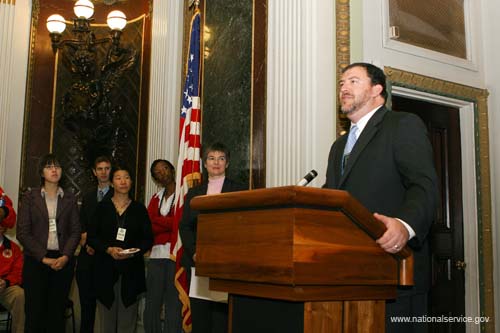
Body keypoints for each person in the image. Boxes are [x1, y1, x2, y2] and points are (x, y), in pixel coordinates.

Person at [323, 62, 438, 332]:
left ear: (377, 90)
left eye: (353, 81)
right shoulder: (338, 146)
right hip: (349, 274)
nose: (343, 88)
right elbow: (334, 198)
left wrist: (405, 225)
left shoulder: (402, 124)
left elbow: (424, 185)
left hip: (395, 274)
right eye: (341, 83)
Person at [180, 142, 247, 333]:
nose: (216, 162)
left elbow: (243, 224)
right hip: (198, 263)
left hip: (226, 264)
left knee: (221, 319)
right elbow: (185, 226)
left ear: (227, 163)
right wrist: (194, 252)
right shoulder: (194, 193)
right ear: (204, 163)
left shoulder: (239, 190)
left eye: (221, 158)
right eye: (211, 158)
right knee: (201, 318)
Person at [17, 153, 81, 333]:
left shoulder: (70, 198)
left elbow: (75, 231)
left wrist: (66, 256)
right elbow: (23, 233)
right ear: (41, 173)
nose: (54, 170)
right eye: (49, 167)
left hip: (62, 262)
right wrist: (44, 258)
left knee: (56, 315)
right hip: (36, 261)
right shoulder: (30, 197)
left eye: (57, 166)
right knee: (34, 313)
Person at [87, 165, 153, 333]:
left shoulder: (139, 209)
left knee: (127, 322)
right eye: (118, 178)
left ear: (131, 182)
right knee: (106, 324)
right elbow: (92, 237)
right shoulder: (102, 208)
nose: (123, 181)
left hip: (131, 271)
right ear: (112, 183)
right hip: (105, 270)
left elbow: (148, 239)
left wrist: (133, 251)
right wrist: (109, 249)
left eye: (127, 177)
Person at [143, 159, 183, 333]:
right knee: (152, 303)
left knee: (173, 303)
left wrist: (160, 222)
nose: (162, 173)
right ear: (155, 178)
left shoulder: (184, 195)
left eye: (165, 169)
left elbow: (180, 224)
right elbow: (148, 225)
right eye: (157, 173)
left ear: (172, 170)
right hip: (156, 257)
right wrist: (169, 223)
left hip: (175, 256)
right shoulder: (155, 198)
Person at [76, 156, 113, 333]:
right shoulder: (88, 196)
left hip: (106, 258)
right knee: (86, 308)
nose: (103, 172)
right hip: (86, 257)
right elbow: (81, 223)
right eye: (100, 169)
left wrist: (98, 245)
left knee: (107, 309)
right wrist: (85, 242)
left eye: (107, 168)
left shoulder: (117, 195)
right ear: (94, 172)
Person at [0, 187, 25, 333]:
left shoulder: (14, 248)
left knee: (20, 295)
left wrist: (6, 282)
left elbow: (18, 272)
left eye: (2, 224)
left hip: (5, 286)